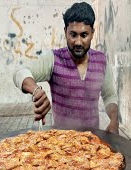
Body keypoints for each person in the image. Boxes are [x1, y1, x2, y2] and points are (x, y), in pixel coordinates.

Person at [13, 2, 119, 134]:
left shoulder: (101, 60)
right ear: (65, 32)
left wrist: (114, 120)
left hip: (93, 143)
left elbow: (109, 95)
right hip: (61, 143)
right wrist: (36, 91)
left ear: (92, 33)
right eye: (73, 35)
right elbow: (20, 72)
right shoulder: (54, 59)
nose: (78, 42)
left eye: (84, 35)